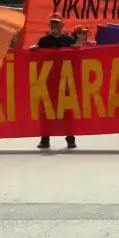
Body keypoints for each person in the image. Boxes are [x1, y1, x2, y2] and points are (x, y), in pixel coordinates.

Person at [34, 13, 77, 150]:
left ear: (62, 25)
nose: (54, 26)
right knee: (46, 111)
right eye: (52, 23)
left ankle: (70, 139)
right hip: (48, 81)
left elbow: (76, 59)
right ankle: (45, 139)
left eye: (57, 23)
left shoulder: (69, 40)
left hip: (65, 81)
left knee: (67, 111)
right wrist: (34, 50)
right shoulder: (43, 41)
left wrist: (77, 50)